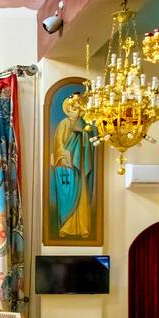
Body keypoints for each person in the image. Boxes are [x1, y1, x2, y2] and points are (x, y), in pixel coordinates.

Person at [51, 94, 94, 239]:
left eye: (76, 106)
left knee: (81, 196)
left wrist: (83, 134)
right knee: (66, 195)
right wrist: (65, 156)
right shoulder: (63, 124)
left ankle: (82, 227)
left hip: (80, 165)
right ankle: (65, 226)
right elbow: (58, 144)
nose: (73, 109)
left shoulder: (85, 124)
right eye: (71, 106)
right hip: (67, 165)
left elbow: (89, 143)